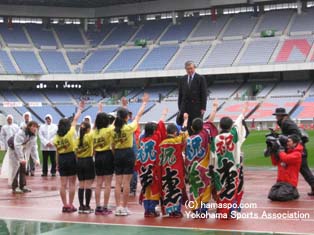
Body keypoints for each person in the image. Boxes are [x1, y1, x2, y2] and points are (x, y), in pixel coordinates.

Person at [111, 93, 149, 216]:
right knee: (126, 182)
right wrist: (144, 103)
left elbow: (112, 145)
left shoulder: (112, 129)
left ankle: (117, 207)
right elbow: (138, 116)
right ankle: (125, 207)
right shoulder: (128, 128)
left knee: (117, 182)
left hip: (117, 153)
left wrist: (123, 106)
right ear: (126, 117)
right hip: (127, 153)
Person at [210, 102, 249, 219]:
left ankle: (221, 210)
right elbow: (238, 123)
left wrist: (212, 170)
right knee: (231, 189)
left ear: (220, 126)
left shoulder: (215, 139)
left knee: (221, 190)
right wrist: (243, 111)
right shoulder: (233, 134)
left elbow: (212, 156)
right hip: (232, 168)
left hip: (219, 169)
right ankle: (229, 211)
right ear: (230, 126)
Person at [185, 100, 218, 215]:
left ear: (192, 128)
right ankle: (203, 210)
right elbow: (210, 121)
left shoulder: (188, 139)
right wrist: (214, 108)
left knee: (194, 188)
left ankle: (194, 209)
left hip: (192, 169)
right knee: (206, 188)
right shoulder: (205, 133)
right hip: (204, 167)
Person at [273, 107, 314, 196]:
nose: (276, 117)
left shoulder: (287, 122)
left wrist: (284, 138)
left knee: (304, 170)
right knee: (304, 170)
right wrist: (280, 135)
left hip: (298, 149)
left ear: (281, 115)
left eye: (277, 115)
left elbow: (297, 135)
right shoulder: (284, 121)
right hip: (297, 148)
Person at [135, 108, 168, 217]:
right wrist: (163, 114)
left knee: (146, 189)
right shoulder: (156, 137)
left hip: (143, 169)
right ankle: (152, 210)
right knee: (154, 189)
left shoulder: (142, 141)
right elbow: (161, 125)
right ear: (154, 131)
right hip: (153, 169)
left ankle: (147, 210)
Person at [54, 101, 85, 213]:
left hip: (62, 158)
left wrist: (57, 163)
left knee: (63, 184)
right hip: (71, 157)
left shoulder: (56, 137)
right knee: (72, 183)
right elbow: (75, 119)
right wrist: (80, 109)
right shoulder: (70, 133)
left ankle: (65, 205)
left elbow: (57, 152)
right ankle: (71, 204)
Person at [159, 113, 189, 218]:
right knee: (177, 189)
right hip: (176, 171)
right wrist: (186, 119)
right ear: (175, 132)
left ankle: (169, 210)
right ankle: (176, 211)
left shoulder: (161, 144)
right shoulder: (177, 140)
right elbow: (184, 132)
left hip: (165, 171)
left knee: (167, 190)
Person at [8, 121, 40, 193]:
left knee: (23, 168)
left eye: (36, 127)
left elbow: (34, 148)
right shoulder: (21, 133)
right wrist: (21, 158)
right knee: (15, 168)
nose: (35, 128)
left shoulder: (33, 135)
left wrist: (36, 160)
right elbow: (17, 146)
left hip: (22, 150)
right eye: (33, 126)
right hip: (13, 150)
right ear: (29, 127)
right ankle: (15, 187)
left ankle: (22, 186)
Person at [268, 134, 303, 201]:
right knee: (272, 196)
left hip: (290, 182)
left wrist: (280, 151)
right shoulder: (284, 152)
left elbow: (286, 159)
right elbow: (274, 163)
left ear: (295, 143)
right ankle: (291, 192)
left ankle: (294, 192)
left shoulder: (297, 154)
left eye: (289, 141)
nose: (287, 143)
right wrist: (273, 152)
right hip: (280, 181)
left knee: (280, 196)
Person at [177, 61, 207, 134]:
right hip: (185, 108)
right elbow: (180, 95)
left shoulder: (200, 78)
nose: (190, 70)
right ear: (185, 69)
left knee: (196, 127)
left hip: (197, 108)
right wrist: (180, 108)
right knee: (185, 128)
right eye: (188, 69)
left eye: (191, 68)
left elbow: (204, 93)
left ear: (194, 68)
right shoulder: (182, 79)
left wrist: (203, 108)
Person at [93, 110, 114, 215]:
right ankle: (105, 207)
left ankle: (98, 207)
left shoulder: (94, 132)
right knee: (107, 184)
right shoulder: (109, 129)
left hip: (97, 156)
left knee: (98, 183)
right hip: (107, 155)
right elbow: (114, 125)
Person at [75, 121, 95, 214]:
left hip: (79, 161)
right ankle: (87, 206)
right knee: (88, 185)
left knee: (81, 184)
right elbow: (95, 130)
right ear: (88, 129)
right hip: (88, 160)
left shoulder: (78, 139)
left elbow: (75, 152)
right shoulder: (90, 136)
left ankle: (81, 206)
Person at [0, 115, 19, 180]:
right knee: (8, 159)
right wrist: (3, 145)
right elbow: (2, 136)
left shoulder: (16, 126)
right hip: (7, 145)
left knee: (15, 159)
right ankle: (8, 172)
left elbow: (18, 134)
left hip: (15, 144)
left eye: (10, 119)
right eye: (8, 119)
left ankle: (15, 171)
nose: (9, 120)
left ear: (12, 119)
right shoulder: (4, 127)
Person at [20, 112, 35, 176]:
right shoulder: (22, 124)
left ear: (29, 116)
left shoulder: (32, 123)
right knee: (25, 156)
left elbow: (34, 133)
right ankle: (26, 169)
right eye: (25, 116)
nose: (26, 117)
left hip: (31, 142)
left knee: (31, 156)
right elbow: (20, 132)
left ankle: (32, 170)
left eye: (27, 116)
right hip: (24, 142)